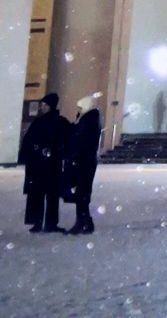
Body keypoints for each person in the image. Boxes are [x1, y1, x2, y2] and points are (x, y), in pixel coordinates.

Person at [17, 93, 71, 233]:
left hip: (49, 165)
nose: (42, 107)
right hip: (42, 165)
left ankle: (47, 223)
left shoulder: (57, 122)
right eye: (42, 105)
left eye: (44, 105)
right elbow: (29, 141)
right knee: (40, 194)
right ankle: (40, 222)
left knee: (50, 195)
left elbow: (66, 140)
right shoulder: (43, 122)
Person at [62, 98, 102, 235]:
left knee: (82, 192)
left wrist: (75, 155)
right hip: (84, 161)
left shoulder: (89, 121)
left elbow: (82, 141)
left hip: (84, 161)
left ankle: (83, 221)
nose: (78, 110)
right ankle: (85, 221)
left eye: (80, 107)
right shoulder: (88, 120)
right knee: (82, 192)